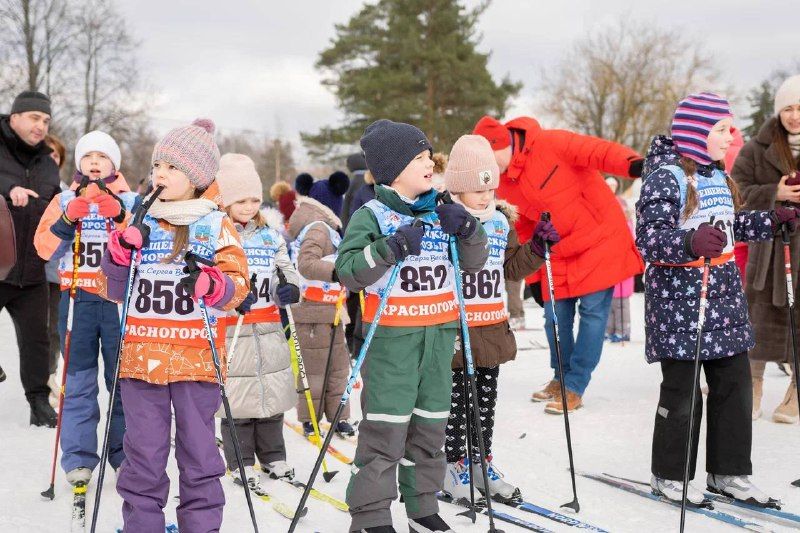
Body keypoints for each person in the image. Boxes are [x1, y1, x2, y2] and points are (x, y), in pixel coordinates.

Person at [335, 119, 488, 533]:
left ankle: (422, 507)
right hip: (391, 344)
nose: (429, 163)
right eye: (419, 157)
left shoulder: (442, 209)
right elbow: (348, 271)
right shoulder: (373, 214)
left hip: (438, 340)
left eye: (428, 156)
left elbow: (474, 263)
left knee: (429, 428)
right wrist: (391, 247)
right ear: (393, 167)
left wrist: (469, 228)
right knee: (385, 432)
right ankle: (370, 516)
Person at [96, 119, 250, 532]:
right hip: (141, 361)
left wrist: (213, 284)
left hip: (196, 362)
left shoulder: (215, 224)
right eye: (158, 165)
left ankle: (200, 526)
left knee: (199, 456)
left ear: (198, 178)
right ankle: (142, 525)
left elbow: (238, 287)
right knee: (142, 457)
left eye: (173, 167)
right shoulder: (139, 219)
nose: (160, 174)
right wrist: (118, 255)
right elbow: (112, 289)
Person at [636, 92, 788, 505]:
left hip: (723, 300)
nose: (730, 135)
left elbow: (731, 225)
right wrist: (689, 242)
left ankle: (729, 472)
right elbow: (649, 239)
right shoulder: (666, 177)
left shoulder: (719, 176)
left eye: (729, 127)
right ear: (695, 133)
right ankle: (669, 475)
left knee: (734, 388)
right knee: (683, 393)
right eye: (721, 129)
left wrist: (772, 221)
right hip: (680, 304)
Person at [473, 114, 644, 414]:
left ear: (501, 145)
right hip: (558, 253)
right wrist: (536, 279)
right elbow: (525, 230)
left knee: (591, 314)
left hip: (598, 240)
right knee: (554, 317)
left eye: (491, 159)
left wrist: (632, 164)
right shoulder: (503, 185)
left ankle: (575, 385)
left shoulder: (550, 142)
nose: (491, 170)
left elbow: (596, 151)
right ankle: (560, 376)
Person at [439, 135, 559, 504]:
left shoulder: (499, 222)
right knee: (456, 404)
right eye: (477, 188)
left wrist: (536, 249)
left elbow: (510, 268)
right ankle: (452, 465)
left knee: (484, 404)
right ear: (458, 185)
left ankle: (479, 461)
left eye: (490, 185)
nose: (485, 195)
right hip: (456, 326)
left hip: (491, 326)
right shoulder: (443, 220)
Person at [34, 130, 139, 486]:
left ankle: (124, 454)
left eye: (103, 156)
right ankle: (78, 456)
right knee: (77, 382)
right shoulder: (63, 199)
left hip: (118, 304)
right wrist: (67, 221)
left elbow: (147, 245)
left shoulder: (133, 199)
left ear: (114, 164)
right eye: (88, 156)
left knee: (122, 382)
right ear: (80, 163)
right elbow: (43, 247)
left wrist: (122, 215)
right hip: (77, 301)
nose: (95, 162)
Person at [215, 153, 301, 486]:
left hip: (268, 326)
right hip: (233, 328)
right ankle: (240, 459)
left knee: (272, 391)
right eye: (241, 200)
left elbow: (287, 270)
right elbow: (209, 278)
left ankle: (274, 456)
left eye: (255, 199)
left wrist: (290, 288)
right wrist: (230, 295)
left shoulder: (270, 235)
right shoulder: (218, 235)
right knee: (238, 396)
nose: (250, 206)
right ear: (225, 200)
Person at [732, 74, 800, 423]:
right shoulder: (756, 148)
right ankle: (752, 385)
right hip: (769, 248)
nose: (795, 115)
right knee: (756, 321)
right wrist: (775, 193)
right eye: (788, 108)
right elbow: (737, 191)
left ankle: (795, 393)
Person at [0, 90, 61, 426]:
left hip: (33, 269)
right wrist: (9, 188)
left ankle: (39, 402)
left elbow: (55, 205)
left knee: (37, 339)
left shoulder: (48, 164)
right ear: (15, 117)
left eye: (46, 120)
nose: (42, 125)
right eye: (36, 118)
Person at [288, 171, 356, 437]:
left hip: (333, 309)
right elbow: (306, 264)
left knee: (339, 368)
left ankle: (339, 416)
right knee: (314, 371)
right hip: (313, 311)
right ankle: (310, 418)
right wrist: (337, 271)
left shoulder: (325, 228)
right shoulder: (318, 228)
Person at [43, 134, 67, 407]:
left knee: (52, 330)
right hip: (21, 270)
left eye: (55, 156)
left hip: (53, 274)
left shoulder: (64, 194)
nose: (50, 161)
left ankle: (48, 378)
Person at [604, 176, 634, 343]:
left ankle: (623, 330)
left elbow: (631, 238)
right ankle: (609, 330)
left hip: (622, 263)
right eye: (608, 185)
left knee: (621, 301)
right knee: (609, 301)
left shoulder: (624, 214)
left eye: (613, 185)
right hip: (608, 263)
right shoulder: (603, 204)